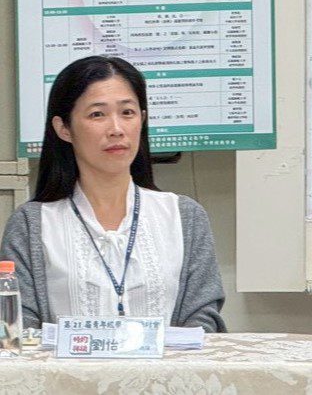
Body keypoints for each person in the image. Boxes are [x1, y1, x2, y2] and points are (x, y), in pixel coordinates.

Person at [1, 55, 226, 330]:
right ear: (64, 128)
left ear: (142, 119)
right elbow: (17, 328)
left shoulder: (183, 216)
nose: (116, 129)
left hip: (166, 361)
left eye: (127, 112)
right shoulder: (31, 224)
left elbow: (203, 319)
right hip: (66, 362)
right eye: (97, 114)